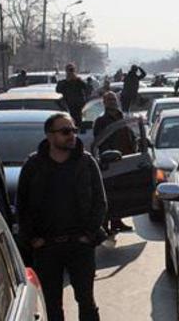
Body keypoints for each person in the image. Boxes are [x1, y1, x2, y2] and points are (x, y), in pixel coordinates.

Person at [17, 113, 106, 321]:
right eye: (65, 131)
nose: (71, 136)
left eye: (74, 131)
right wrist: (33, 239)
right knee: (52, 305)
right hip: (46, 248)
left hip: (80, 246)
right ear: (50, 136)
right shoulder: (34, 165)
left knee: (86, 301)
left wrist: (89, 235)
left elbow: (100, 203)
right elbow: (22, 206)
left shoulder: (86, 163)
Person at [93, 92, 136, 234]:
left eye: (113, 99)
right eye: (109, 100)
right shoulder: (101, 120)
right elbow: (100, 141)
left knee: (121, 192)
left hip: (125, 158)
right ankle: (104, 225)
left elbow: (129, 133)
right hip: (110, 161)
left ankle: (117, 221)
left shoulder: (121, 116)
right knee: (109, 194)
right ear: (104, 103)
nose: (112, 102)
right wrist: (107, 156)